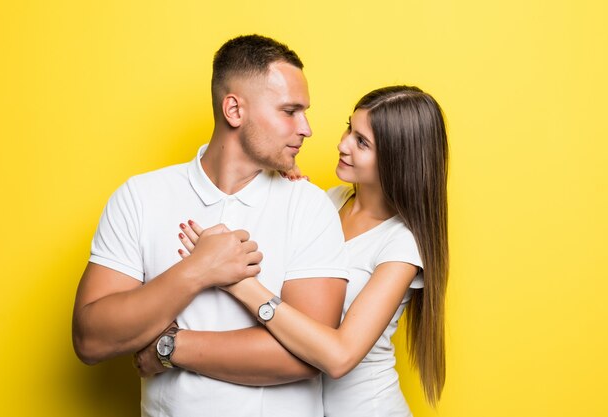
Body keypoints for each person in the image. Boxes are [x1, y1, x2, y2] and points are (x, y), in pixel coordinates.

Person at [72, 34, 350, 417]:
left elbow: (308, 356)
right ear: (234, 110)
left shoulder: (309, 206)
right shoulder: (140, 196)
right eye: (290, 111)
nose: (307, 128)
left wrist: (169, 348)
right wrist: (199, 269)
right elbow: (91, 338)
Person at [175, 85, 449, 416]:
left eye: (362, 143)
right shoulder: (327, 201)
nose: (342, 144)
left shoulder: (402, 244)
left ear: (397, 160)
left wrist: (240, 284)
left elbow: (339, 356)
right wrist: (279, 179)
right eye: (350, 128)